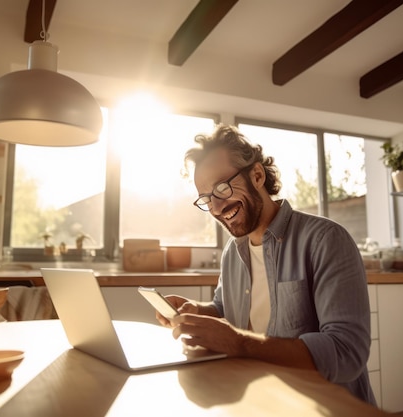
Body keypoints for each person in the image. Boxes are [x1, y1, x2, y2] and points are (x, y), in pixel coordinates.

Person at [156, 124, 376, 405]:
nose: (216, 208)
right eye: (206, 198)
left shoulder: (325, 240)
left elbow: (346, 354)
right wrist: (196, 311)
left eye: (221, 188)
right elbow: (226, 309)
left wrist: (239, 342)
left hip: (324, 406)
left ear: (257, 175)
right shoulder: (232, 252)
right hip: (262, 401)